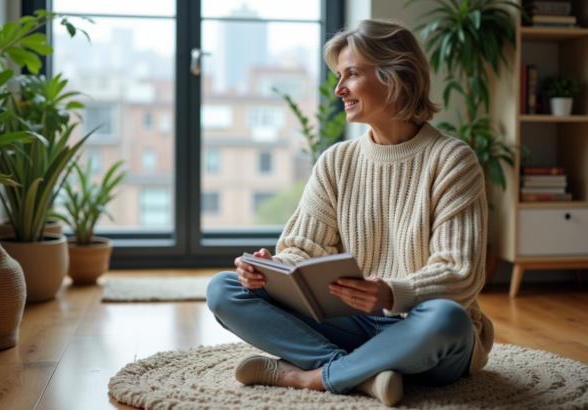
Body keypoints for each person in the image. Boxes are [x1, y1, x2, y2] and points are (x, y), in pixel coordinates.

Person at [206, 19, 493, 407]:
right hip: (351, 323)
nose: (339, 88)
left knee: (449, 319)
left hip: (419, 328)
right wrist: (272, 271)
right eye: (339, 76)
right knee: (224, 289)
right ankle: (359, 375)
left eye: (352, 74)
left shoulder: (453, 160)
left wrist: (391, 292)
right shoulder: (337, 161)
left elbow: (460, 272)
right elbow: (302, 249)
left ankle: (308, 377)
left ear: (396, 77)